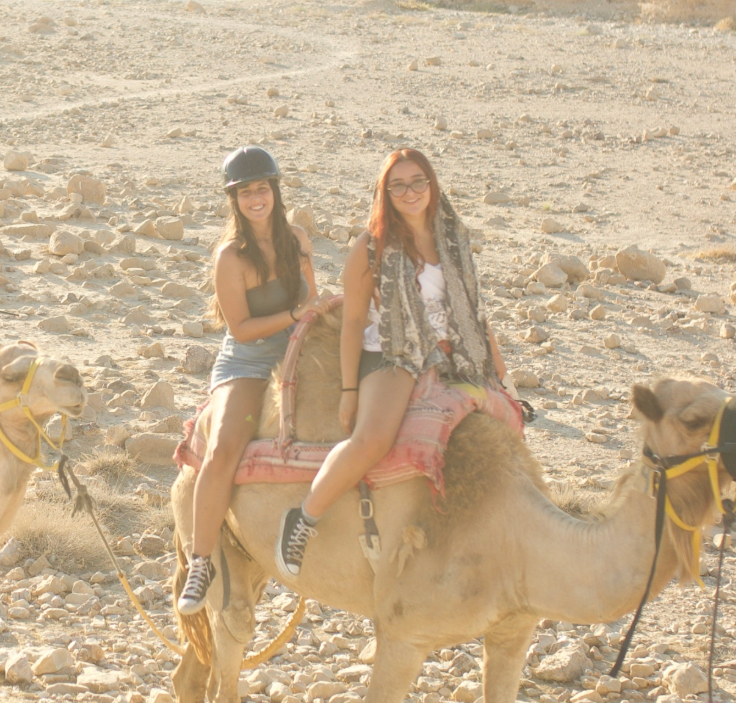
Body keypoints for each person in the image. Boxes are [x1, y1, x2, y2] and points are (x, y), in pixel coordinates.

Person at [274, 147, 506, 576]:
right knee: (373, 439)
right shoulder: (371, 247)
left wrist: (494, 361)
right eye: (397, 185)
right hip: (393, 350)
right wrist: (349, 391)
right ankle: (304, 518)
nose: (410, 192)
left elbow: (470, 304)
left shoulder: (452, 237)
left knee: (502, 419)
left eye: (418, 181)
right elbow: (353, 321)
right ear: (385, 193)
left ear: (432, 185)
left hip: (451, 349)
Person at [180, 147, 317, 615]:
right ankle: (201, 562)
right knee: (222, 450)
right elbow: (240, 329)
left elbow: (313, 300)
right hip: (249, 362)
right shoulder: (230, 257)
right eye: (245, 193)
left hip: (300, 351)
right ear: (234, 200)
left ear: (275, 191)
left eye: (263, 189)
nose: (256, 199)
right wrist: (296, 314)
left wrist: (313, 320)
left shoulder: (297, 239)